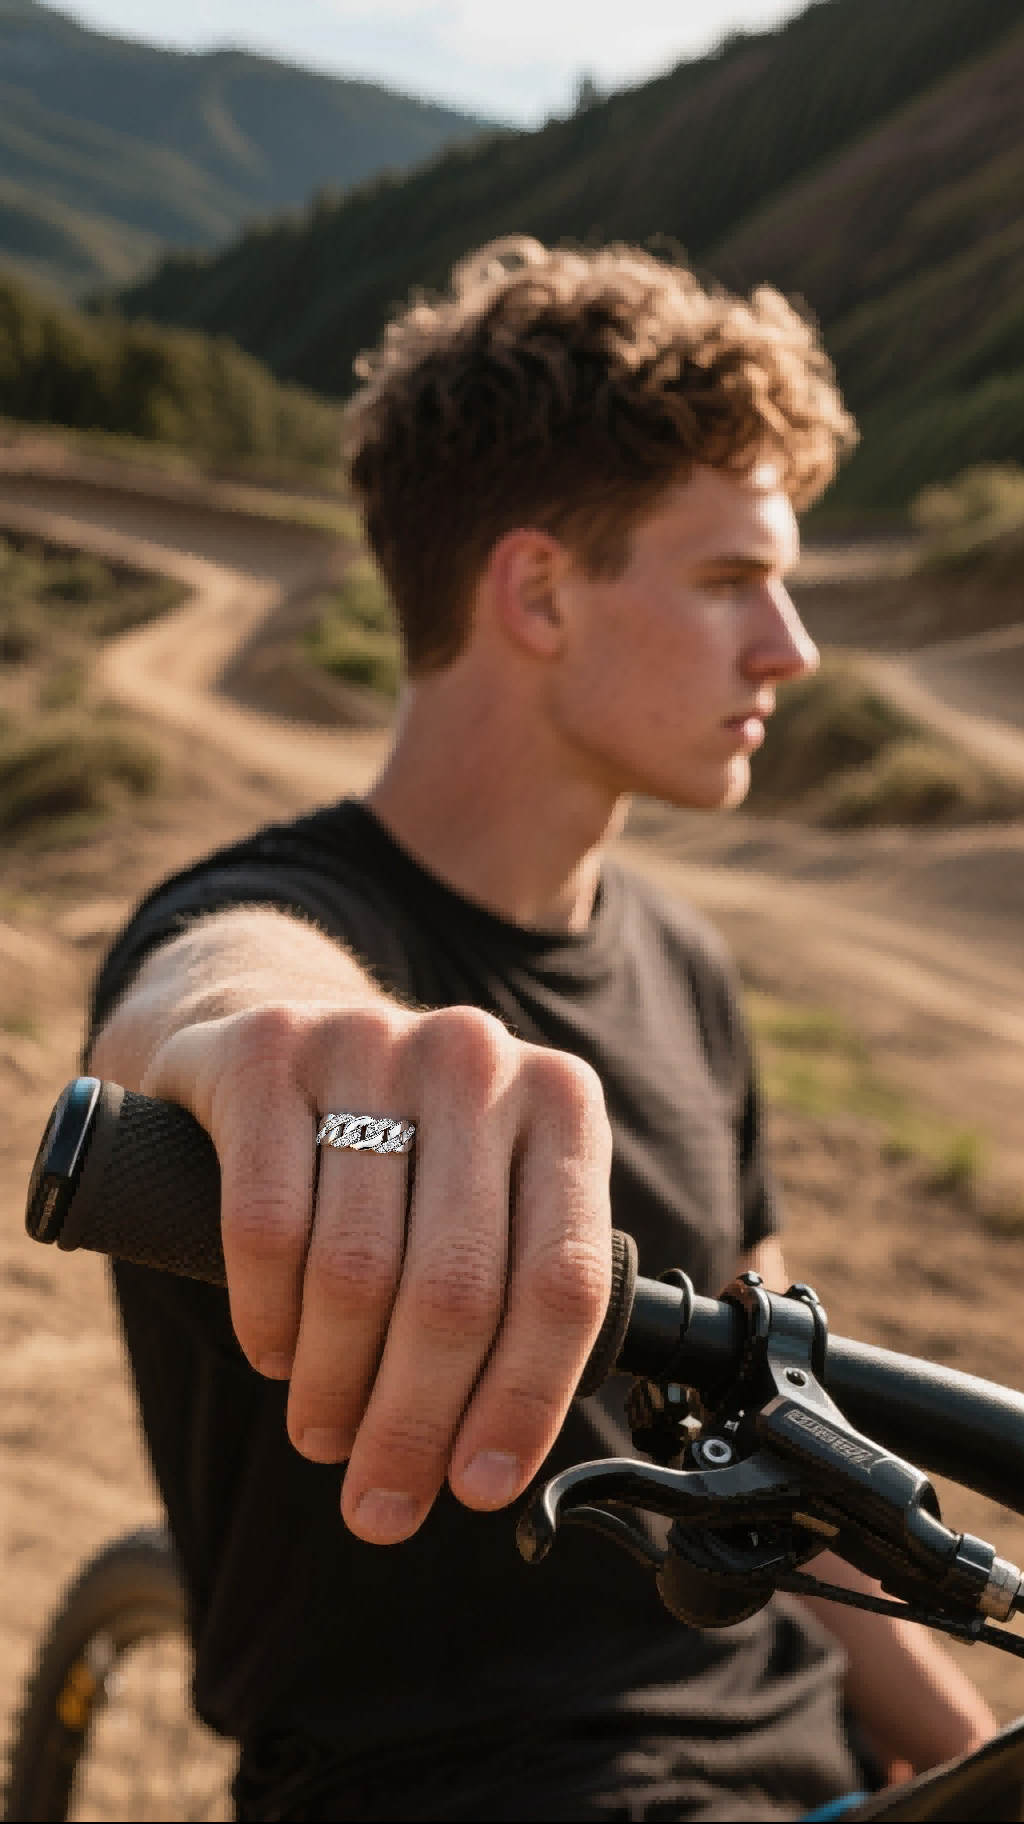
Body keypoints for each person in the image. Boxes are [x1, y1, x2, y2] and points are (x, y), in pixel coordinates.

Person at [88, 239, 995, 1821]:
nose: (793, 647)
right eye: (729, 583)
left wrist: (970, 1747)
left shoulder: (689, 962)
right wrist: (301, 1053)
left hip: (807, 1764)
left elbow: (783, 1425)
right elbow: (201, 992)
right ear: (537, 591)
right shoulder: (272, 917)